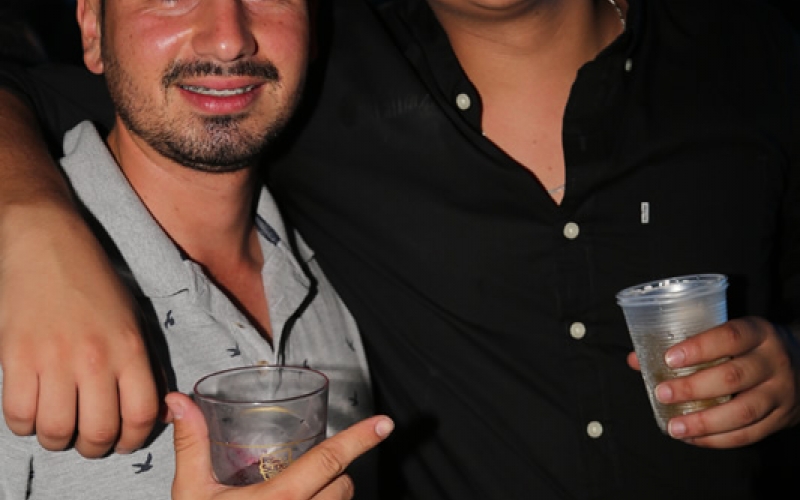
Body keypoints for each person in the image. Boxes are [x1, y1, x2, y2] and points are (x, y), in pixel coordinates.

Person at [0, 0, 798, 498]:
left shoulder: (321, 293)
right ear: (90, 27)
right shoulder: (27, 268)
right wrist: (30, 224)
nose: (229, 38)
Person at [0, 0, 392, 498]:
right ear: (93, 29)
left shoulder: (337, 271)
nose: (228, 40)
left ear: (312, 28)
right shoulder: (17, 292)